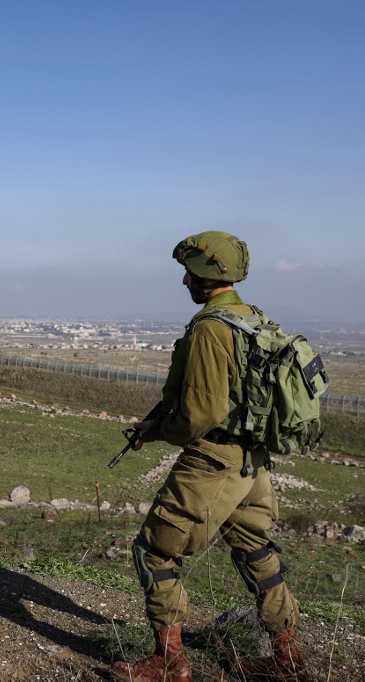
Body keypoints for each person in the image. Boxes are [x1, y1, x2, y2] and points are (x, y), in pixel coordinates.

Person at [112, 231, 308, 681]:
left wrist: (158, 431)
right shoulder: (250, 318)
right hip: (251, 461)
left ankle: (169, 663)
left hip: (213, 460)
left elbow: (200, 414)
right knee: (256, 549)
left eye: (191, 273)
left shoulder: (210, 328)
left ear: (210, 276)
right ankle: (287, 657)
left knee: (154, 551)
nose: (184, 280)